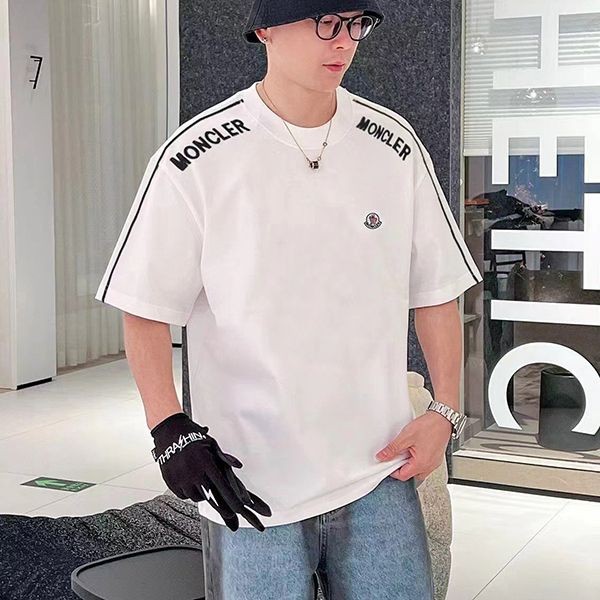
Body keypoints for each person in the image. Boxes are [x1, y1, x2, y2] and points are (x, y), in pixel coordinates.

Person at [95, 1, 483, 597]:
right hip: (251, 479)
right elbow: (144, 306)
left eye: (356, 24)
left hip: (378, 469)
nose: (344, 41)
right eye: (325, 23)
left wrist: (445, 412)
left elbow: (436, 290)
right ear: (265, 29)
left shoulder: (394, 146)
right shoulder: (194, 157)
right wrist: (169, 428)